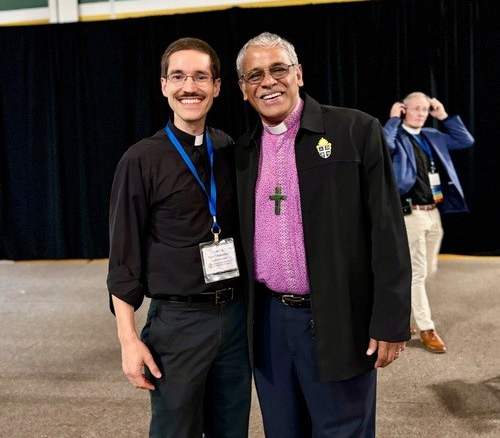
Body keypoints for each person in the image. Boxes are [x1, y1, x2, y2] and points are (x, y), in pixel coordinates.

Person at [234, 32, 412, 437]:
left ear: (298, 74)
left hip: (339, 316)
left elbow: (387, 230)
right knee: (283, 430)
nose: (268, 82)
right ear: (244, 89)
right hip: (270, 323)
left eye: (278, 69)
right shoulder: (242, 152)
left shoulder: (354, 130)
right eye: (255, 75)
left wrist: (391, 319)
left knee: (343, 429)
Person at [106, 37, 251, 438]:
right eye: (179, 77)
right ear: (164, 85)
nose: (190, 87)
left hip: (235, 318)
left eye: (201, 77)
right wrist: (128, 340)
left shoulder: (227, 148)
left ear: (217, 86)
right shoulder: (140, 159)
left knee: (231, 429)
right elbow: (124, 259)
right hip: (178, 323)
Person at [383, 92, 474, 353]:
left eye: (425, 109)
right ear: (403, 110)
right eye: (416, 108)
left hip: (433, 211)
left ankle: (399, 315)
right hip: (410, 213)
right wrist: (392, 120)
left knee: (426, 271)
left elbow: (465, 140)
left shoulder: (432, 136)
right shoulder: (396, 135)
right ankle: (426, 327)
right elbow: (383, 146)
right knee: (418, 272)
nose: (421, 113)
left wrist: (443, 116)